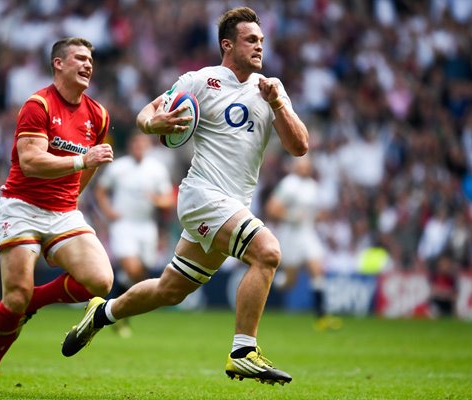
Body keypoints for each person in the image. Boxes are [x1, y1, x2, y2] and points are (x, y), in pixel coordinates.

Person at [62, 7, 309, 386]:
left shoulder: (270, 88)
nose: (259, 46)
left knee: (169, 289)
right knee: (268, 252)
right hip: (202, 196)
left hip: (232, 204)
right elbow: (147, 113)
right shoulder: (201, 81)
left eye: (261, 40)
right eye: (250, 40)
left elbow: (299, 147)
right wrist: (152, 122)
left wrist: (277, 103)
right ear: (228, 45)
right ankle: (244, 351)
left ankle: (103, 313)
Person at [0, 37, 114, 394]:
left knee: (101, 281)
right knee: (14, 297)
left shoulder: (98, 114)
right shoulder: (38, 104)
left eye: (91, 60)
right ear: (58, 64)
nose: (88, 65)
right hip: (21, 207)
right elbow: (31, 162)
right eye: (79, 58)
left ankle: (35, 301)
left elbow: (93, 165)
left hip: (63, 211)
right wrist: (82, 160)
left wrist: (74, 192)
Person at [95, 132, 174, 337]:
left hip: (146, 226)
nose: (139, 147)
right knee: (132, 268)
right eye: (136, 143)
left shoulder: (156, 169)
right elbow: (101, 190)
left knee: (139, 275)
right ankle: (113, 313)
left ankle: (116, 313)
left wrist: (157, 200)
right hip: (124, 225)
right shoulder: (118, 167)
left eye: (142, 144)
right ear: (131, 145)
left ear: (148, 146)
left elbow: (168, 199)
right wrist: (108, 211)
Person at [264, 155, 342, 331]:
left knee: (317, 270)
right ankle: (265, 287)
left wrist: (320, 217)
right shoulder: (288, 184)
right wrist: (291, 216)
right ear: (296, 166)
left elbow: (314, 213)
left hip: (307, 233)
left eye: (307, 165)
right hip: (290, 235)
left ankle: (322, 316)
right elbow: (272, 208)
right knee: (289, 282)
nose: (305, 168)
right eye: (302, 165)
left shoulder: (312, 186)